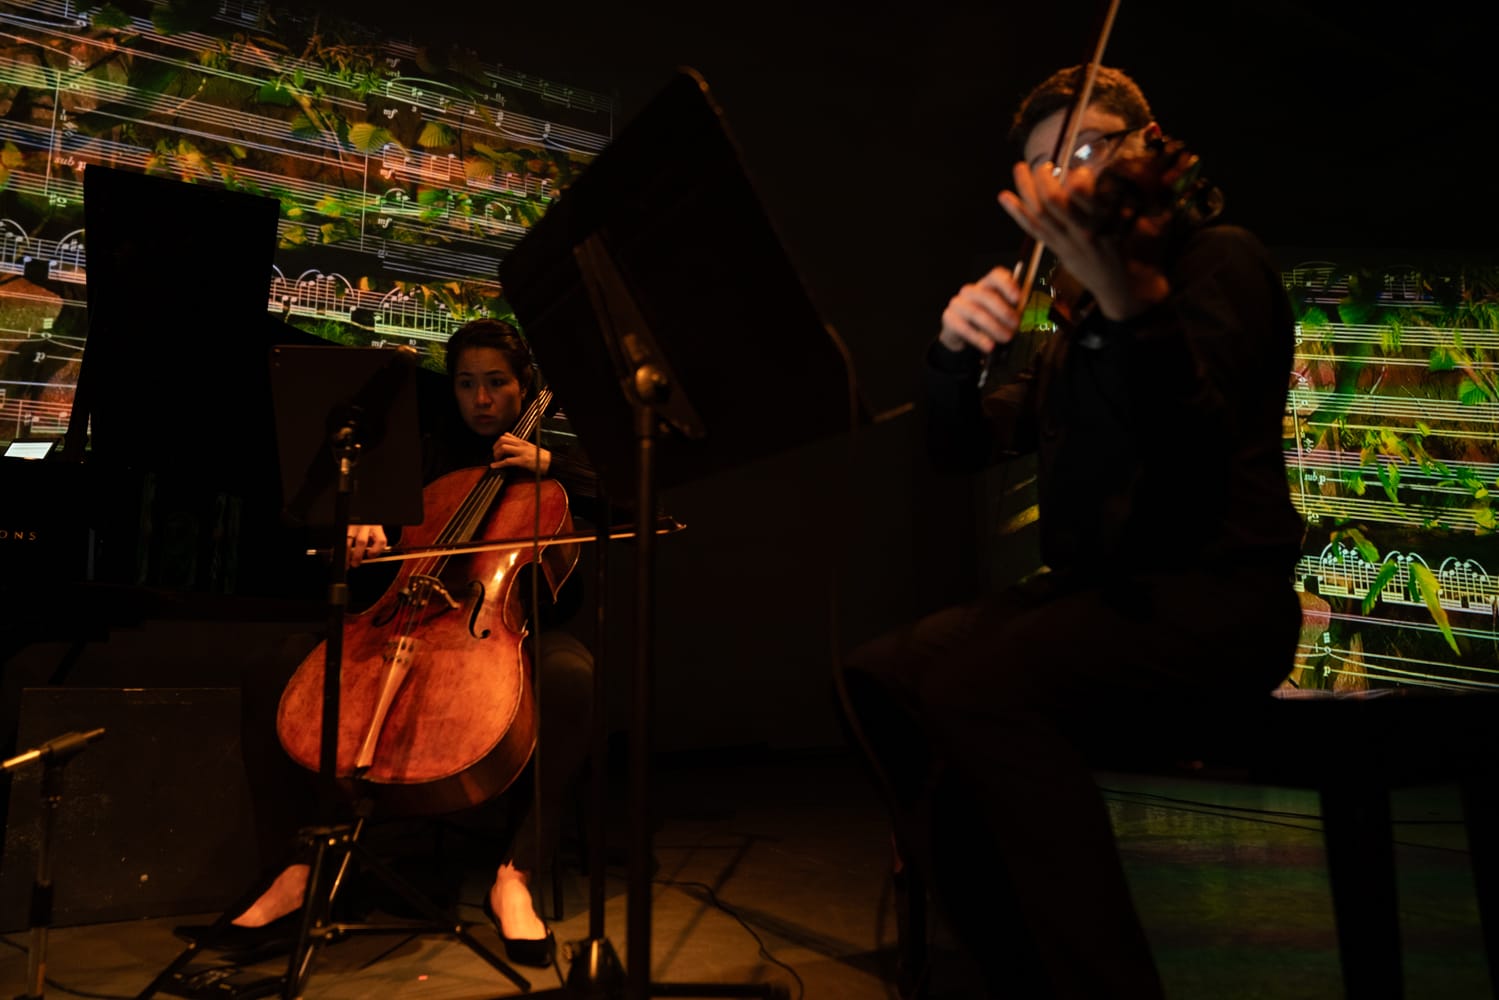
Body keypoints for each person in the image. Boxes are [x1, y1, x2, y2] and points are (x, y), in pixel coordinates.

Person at [836, 65, 1305, 999]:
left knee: (976, 689)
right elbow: (962, 445)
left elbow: (1193, 450)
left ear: (1148, 145)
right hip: (1105, 598)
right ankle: (1012, 960)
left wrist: (1133, 308)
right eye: (1046, 166)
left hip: (1214, 597)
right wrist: (951, 358)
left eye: (1089, 148)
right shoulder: (1079, 318)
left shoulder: (1219, 261)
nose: (1071, 178)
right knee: (878, 676)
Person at [190, 318, 596, 969]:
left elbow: (628, 503)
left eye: (496, 383)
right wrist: (366, 529)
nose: (481, 399)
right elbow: (366, 536)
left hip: (509, 632)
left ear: (524, 386)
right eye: (466, 384)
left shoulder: (559, 463)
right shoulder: (424, 454)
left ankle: (515, 874)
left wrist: (555, 466)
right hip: (402, 617)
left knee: (572, 676)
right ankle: (293, 868)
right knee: (275, 664)